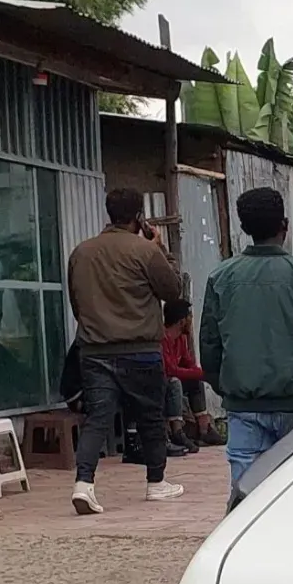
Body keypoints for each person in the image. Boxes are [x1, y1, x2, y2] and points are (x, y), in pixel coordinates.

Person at [65, 188, 187, 514]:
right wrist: (161, 248)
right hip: (140, 349)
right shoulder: (145, 251)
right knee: (150, 416)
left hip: (93, 350)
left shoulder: (81, 252)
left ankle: (84, 484)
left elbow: (77, 304)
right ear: (138, 217)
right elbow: (173, 290)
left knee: (98, 418)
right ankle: (156, 483)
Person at [201, 188, 293, 488]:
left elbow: (210, 345)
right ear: (285, 226)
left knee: (246, 492)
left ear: (243, 228)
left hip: (244, 406)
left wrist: (227, 388)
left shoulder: (221, 277)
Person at [162, 300, 219, 446]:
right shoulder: (163, 338)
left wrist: (202, 374)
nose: (191, 321)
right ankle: (177, 432)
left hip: (175, 378)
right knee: (174, 382)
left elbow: (189, 364)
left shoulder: (181, 339)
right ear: (181, 321)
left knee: (196, 383)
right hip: (162, 381)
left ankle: (204, 429)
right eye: (189, 317)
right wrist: (201, 373)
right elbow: (169, 370)